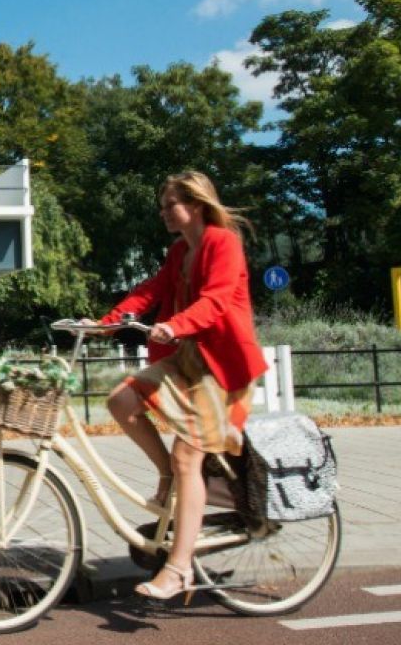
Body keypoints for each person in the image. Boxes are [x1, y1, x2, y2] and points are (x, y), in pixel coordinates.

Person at [92, 171, 267, 602]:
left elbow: (218, 299)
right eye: (163, 205)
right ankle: (167, 474)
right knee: (122, 400)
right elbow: (150, 290)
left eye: (170, 204)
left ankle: (179, 568)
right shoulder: (179, 252)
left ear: (196, 204)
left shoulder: (223, 243)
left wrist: (174, 325)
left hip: (223, 368)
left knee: (189, 453)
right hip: (188, 358)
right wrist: (107, 323)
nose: (163, 212)